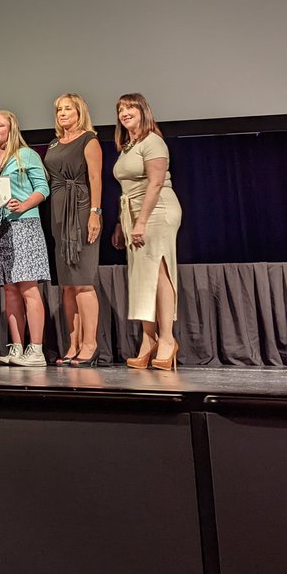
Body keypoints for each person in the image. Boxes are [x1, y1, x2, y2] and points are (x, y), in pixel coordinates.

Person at [111, 93, 183, 370]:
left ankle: (167, 339)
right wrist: (122, 223)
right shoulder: (129, 146)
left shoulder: (153, 141)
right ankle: (148, 339)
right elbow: (126, 190)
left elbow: (155, 183)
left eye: (130, 107)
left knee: (159, 273)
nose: (125, 113)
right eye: (121, 109)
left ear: (143, 111)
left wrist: (141, 222)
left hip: (157, 211)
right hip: (133, 213)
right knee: (142, 278)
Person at [0, 109, 52, 367]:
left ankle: (37, 350)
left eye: (0, 125)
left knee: (28, 288)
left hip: (24, 226)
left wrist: (24, 204)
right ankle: (17, 348)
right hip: (0, 228)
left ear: (11, 128)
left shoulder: (26, 155)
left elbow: (43, 188)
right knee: (9, 290)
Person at [44, 94, 104, 366]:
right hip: (58, 213)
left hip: (80, 209)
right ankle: (74, 344)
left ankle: (90, 344)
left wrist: (95, 212)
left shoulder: (89, 140)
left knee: (82, 280)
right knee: (67, 284)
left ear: (80, 112)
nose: (62, 113)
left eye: (68, 109)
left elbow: (95, 178)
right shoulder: (54, 143)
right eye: (59, 109)